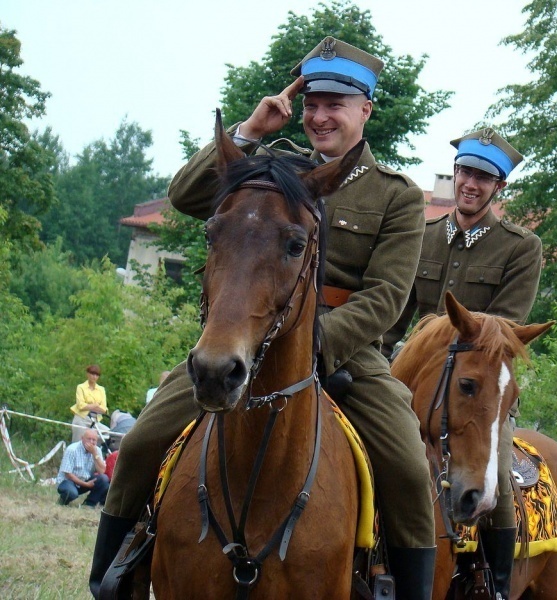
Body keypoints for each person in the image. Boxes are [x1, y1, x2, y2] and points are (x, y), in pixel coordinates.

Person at [90, 36, 435, 600]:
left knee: (407, 467)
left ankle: (402, 586)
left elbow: (388, 296)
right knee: (142, 438)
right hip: (245, 337)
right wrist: (248, 133)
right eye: (312, 104)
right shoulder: (271, 172)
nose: (320, 117)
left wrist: (315, 343)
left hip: (344, 349)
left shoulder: (396, 195)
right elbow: (186, 196)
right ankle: (113, 574)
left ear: (365, 109)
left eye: (336, 105)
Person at [382, 127, 541, 600]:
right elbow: (395, 314)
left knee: (496, 477)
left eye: (484, 178)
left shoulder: (520, 247)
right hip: (411, 376)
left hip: (482, 384)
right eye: (466, 172)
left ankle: (495, 583)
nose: (471, 184)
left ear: (499, 187)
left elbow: (505, 332)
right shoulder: (423, 235)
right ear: (455, 174)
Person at [56, 429, 109, 507]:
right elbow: (68, 474)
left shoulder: (97, 450)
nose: (91, 442)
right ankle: (62, 502)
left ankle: (89, 504)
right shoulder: (72, 449)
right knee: (72, 493)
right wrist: (86, 484)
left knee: (104, 479)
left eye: (94, 440)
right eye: (89, 439)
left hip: (85, 480)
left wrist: (95, 454)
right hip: (68, 481)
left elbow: (102, 471)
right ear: (82, 438)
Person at [70, 365, 109, 442]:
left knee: (107, 433)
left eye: (96, 375)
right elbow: (81, 406)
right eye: (92, 374)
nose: (94, 377)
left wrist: (88, 406)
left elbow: (104, 409)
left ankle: (96, 451)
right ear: (87, 374)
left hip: (95, 420)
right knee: (78, 442)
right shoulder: (81, 387)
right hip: (81, 418)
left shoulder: (101, 389)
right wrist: (96, 405)